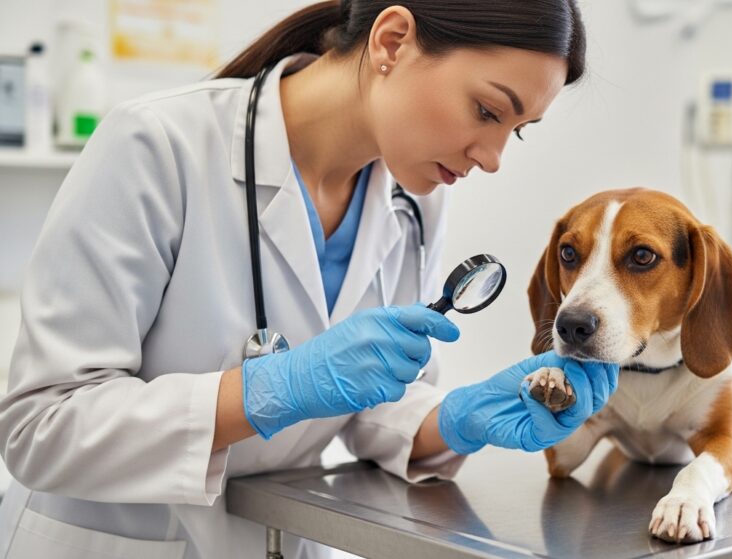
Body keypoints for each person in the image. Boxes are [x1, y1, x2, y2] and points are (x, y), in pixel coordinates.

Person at [0, 2, 618, 558]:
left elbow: (369, 396)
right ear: (392, 41)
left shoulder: (415, 200)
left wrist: (456, 419)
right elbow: (42, 427)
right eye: (486, 111)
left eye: (514, 131)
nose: (491, 158)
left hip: (277, 542)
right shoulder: (158, 146)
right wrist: (271, 390)